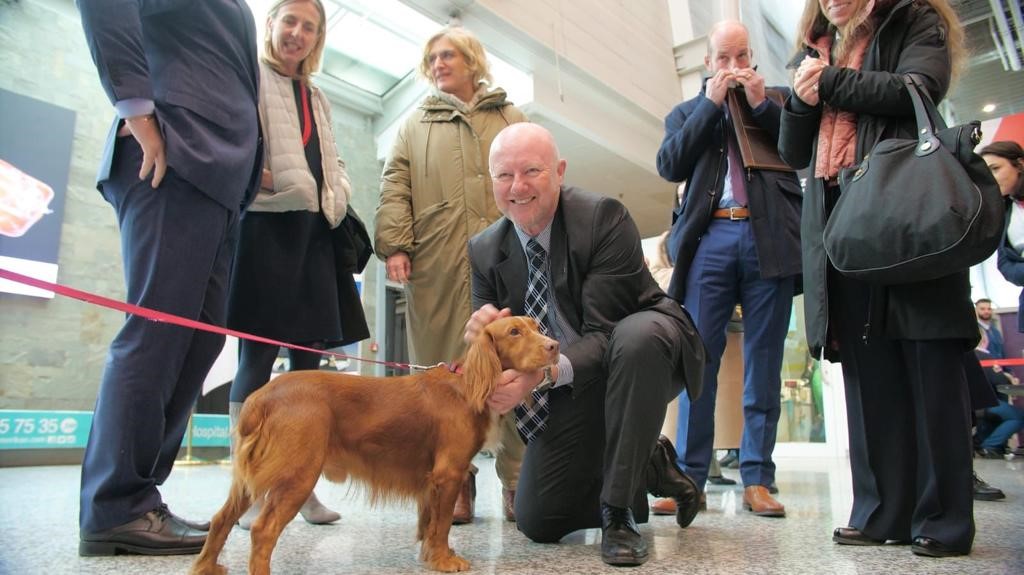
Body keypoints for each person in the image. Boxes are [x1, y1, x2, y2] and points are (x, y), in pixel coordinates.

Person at [779, 0, 975, 558]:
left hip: (904, 209)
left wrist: (831, 82)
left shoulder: (914, 18)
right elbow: (793, 149)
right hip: (840, 217)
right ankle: (881, 510)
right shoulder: (814, 48)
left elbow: (918, 88)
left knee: (928, 359)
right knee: (869, 369)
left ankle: (943, 517)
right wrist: (800, 96)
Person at [463, 123, 705, 567]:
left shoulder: (601, 218)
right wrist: (479, 339)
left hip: (644, 355)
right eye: (503, 175)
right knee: (538, 520)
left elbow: (605, 334)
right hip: (569, 381)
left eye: (531, 171)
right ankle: (648, 461)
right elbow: (495, 345)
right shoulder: (484, 250)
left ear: (559, 171)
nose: (517, 187)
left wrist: (540, 377)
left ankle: (618, 515)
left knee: (635, 339)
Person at [75, 0, 262, 556]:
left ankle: (140, 497)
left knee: (199, 339)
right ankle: (116, 505)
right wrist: (137, 110)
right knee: (155, 336)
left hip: (217, 179)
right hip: (175, 152)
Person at [225, 0, 370, 530]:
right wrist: (268, 182)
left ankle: (298, 488)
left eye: (310, 26)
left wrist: (339, 189)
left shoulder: (318, 96)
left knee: (309, 373)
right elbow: (236, 141)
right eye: (290, 21)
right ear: (271, 25)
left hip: (316, 237)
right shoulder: (251, 75)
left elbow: (333, 161)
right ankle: (248, 489)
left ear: (317, 37)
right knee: (256, 363)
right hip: (265, 233)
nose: (298, 33)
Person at [375, 26, 528, 524]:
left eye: (449, 55)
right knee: (441, 377)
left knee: (516, 371)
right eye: (432, 57)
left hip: (508, 261)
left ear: (472, 61)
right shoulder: (414, 123)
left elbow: (532, 174)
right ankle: (455, 484)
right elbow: (395, 182)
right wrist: (396, 242)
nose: (439, 64)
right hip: (437, 263)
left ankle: (518, 481)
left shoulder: (508, 116)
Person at [655, 20, 801, 518]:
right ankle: (689, 480)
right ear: (708, 63)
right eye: (724, 58)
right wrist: (709, 105)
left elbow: (800, 151)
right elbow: (669, 164)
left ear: (752, 59)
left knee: (764, 359)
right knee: (700, 360)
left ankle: (758, 477)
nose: (734, 67)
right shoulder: (687, 111)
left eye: (741, 57)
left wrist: (761, 106)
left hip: (769, 237)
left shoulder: (777, 102)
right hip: (710, 238)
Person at [988, 142, 1024, 335]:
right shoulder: (1004, 212)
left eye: (995, 169)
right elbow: (1005, 265)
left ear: (1019, 164)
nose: (991, 178)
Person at [974, 332, 1024, 458]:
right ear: (985, 341)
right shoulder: (984, 356)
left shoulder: (965, 355)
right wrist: (1008, 378)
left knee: (1003, 413)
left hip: (971, 404)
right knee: (1018, 416)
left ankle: (980, 441)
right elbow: (998, 380)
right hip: (985, 403)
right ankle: (990, 446)